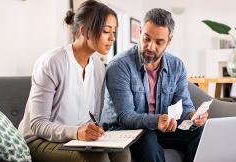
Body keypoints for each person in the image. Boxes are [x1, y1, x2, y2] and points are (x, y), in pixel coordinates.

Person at [18, 1, 130, 162]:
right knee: (98, 159)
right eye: (106, 31)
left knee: (123, 153)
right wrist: (76, 132)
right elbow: (38, 124)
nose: (112, 38)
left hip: (75, 140)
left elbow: (93, 117)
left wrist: (95, 132)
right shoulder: (52, 62)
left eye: (114, 31)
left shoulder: (99, 68)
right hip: (39, 140)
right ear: (85, 30)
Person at [100, 8, 208, 162]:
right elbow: (125, 117)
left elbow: (184, 105)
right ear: (140, 32)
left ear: (169, 40)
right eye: (146, 38)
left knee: (199, 131)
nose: (151, 47)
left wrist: (193, 116)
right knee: (148, 138)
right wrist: (157, 121)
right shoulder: (119, 66)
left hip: (160, 128)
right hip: (124, 130)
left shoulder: (177, 66)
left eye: (159, 42)